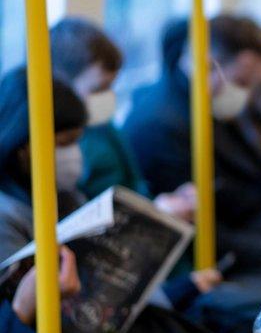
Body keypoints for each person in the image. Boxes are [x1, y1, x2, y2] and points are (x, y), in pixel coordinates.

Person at [0, 69, 229, 333]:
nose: (74, 155)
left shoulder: (69, 197)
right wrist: (26, 306)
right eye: (62, 144)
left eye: (76, 142)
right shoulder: (7, 219)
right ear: (22, 147)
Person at [123, 15, 261, 277]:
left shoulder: (212, 104)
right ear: (208, 66)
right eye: (241, 83)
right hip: (226, 263)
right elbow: (207, 237)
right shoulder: (160, 128)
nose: (245, 95)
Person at [48, 17, 196, 220]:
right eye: (98, 89)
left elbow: (134, 186)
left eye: (110, 88)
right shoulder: (62, 147)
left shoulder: (106, 128)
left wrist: (163, 203)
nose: (107, 97)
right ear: (61, 84)